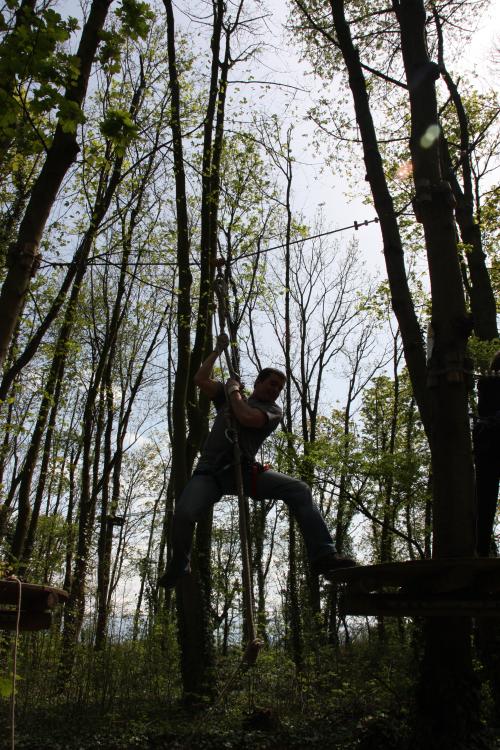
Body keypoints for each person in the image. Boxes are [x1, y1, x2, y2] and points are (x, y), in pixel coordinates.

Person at [159, 333, 356, 589]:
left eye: (279, 388)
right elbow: (200, 379)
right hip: (210, 473)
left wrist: (233, 391)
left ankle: (324, 556)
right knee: (184, 513)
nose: (275, 390)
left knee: (299, 489)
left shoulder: (272, 411)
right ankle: (179, 564)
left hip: (243, 470)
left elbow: (247, 417)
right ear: (258, 382)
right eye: (272, 384)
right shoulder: (228, 398)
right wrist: (217, 351)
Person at [474, 350, 500, 556]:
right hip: (490, 444)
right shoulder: (487, 383)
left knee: (485, 500)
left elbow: (483, 411)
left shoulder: (485, 383)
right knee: (485, 500)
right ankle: (480, 550)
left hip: (487, 445)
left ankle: (481, 549)